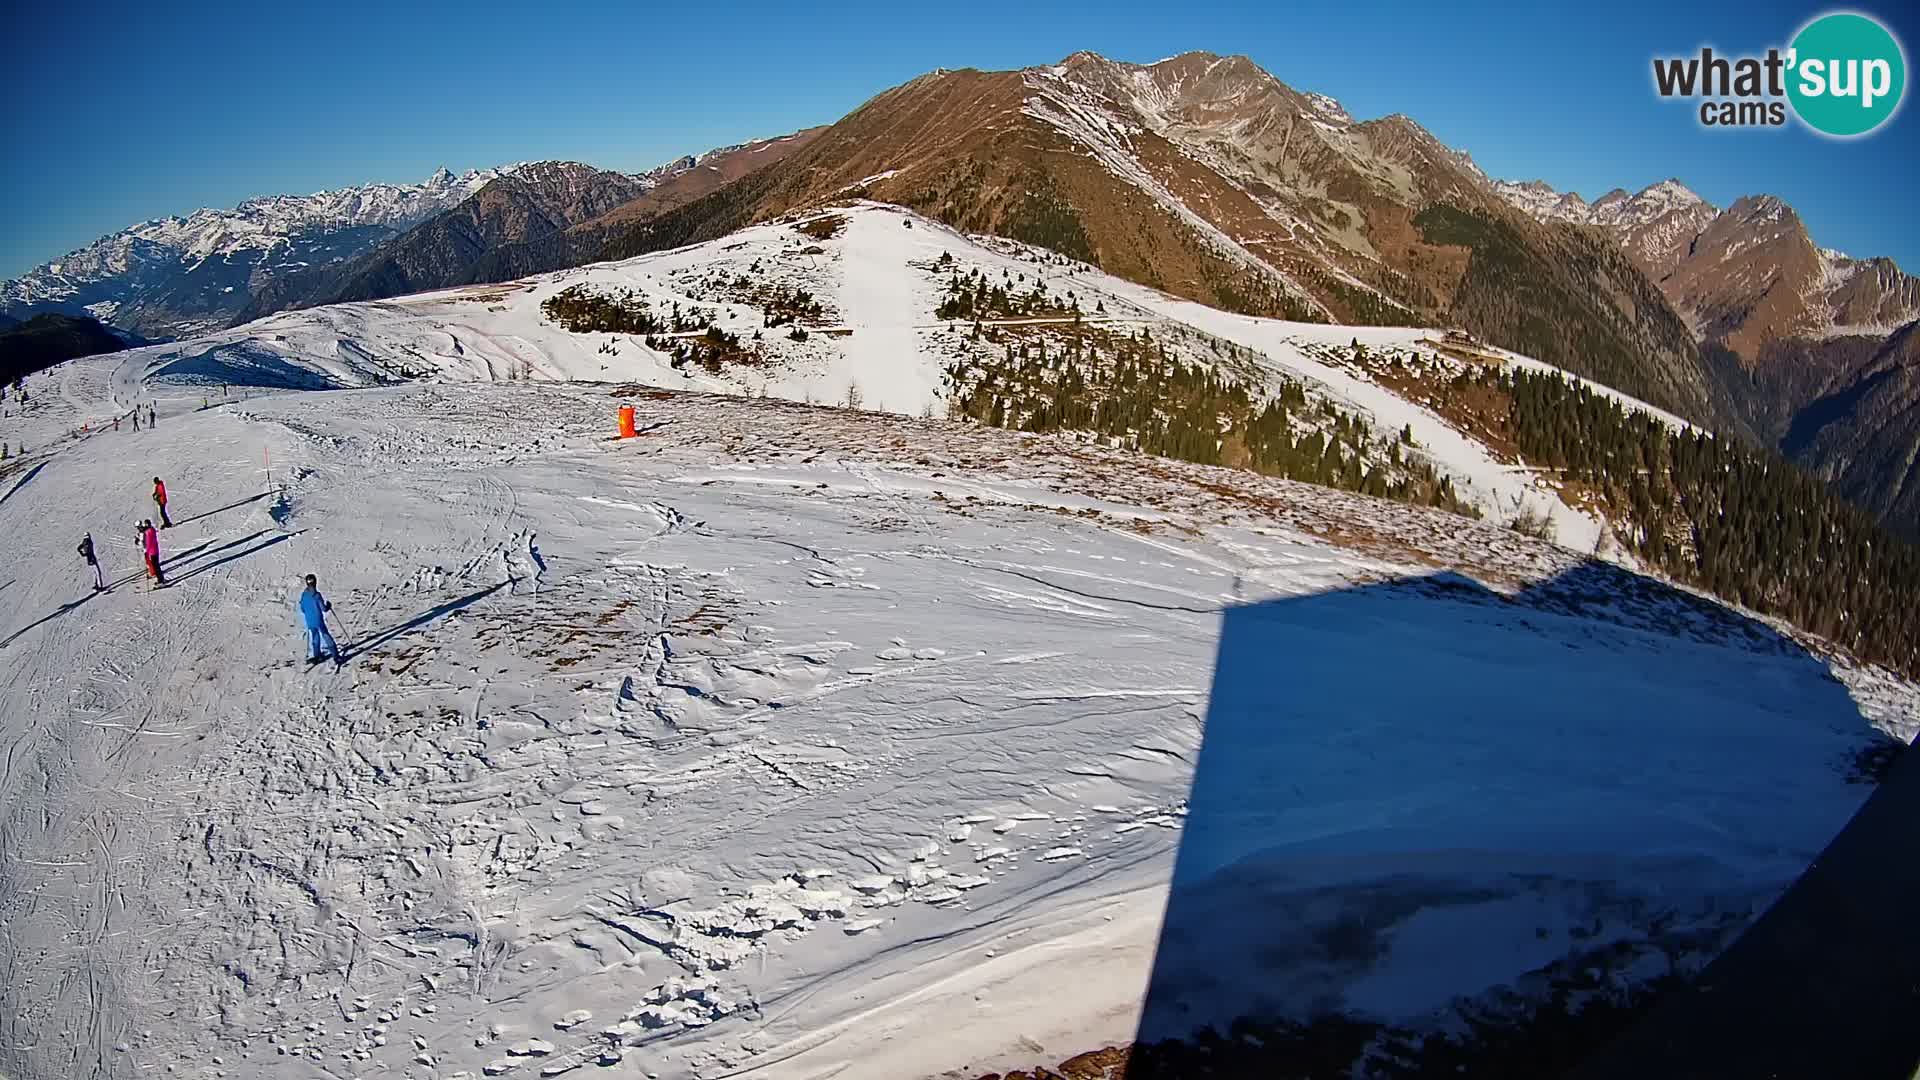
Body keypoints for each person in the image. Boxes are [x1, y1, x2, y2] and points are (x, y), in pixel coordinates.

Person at [299, 574, 342, 666]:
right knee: (325, 635)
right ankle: (336, 655)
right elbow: (323, 609)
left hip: (309, 621)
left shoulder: (304, 595)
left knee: (315, 636)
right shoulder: (317, 595)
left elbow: (302, 608)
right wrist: (328, 606)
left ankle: (317, 655)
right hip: (318, 620)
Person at [139, 521, 166, 586]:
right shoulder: (151, 530)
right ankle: (161, 579)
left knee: (156, 567)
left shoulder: (149, 533)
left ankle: (161, 581)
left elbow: (149, 543)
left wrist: (147, 552)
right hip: (155, 550)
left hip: (152, 551)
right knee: (156, 566)